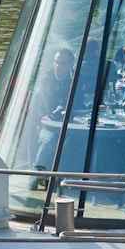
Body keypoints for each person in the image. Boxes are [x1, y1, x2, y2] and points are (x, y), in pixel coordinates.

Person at [31, 47, 75, 187]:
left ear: (71, 65)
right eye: (56, 62)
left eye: (62, 63)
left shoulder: (76, 78)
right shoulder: (46, 79)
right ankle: (36, 174)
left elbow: (80, 101)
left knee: (80, 141)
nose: (57, 66)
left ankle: (71, 179)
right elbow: (50, 106)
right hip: (46, 124)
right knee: (50, 140)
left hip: (71, 123)